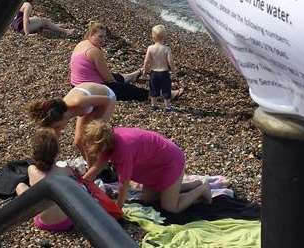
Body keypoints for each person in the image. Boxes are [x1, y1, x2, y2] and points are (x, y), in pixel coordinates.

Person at [82, 121, 211, 212]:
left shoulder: (123, 149)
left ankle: (202, 189)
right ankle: (193, 185)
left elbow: (124, 182)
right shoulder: (109, 140)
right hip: (152, 166)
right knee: (148, 201)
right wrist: (81, 183)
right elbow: (97, 166)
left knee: (171, 208)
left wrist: (118, 208)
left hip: (169, 162)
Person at [27, 82, 115, 159]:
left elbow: (107, 101)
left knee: (91, 139)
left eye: (57, 127)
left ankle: (101, 167)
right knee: (78, 142)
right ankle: (90, 167)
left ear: (62, 116)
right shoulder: (59, 113)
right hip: (89, 104)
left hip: (106, 97)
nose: (58, 129)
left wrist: (96, 122)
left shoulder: (78, 102)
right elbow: (54, 139)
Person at [69, 21, 149, 101]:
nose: (103, 40)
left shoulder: (82, 43)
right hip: (88, 90)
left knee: (115, 76)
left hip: (75, 84)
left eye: (104, 36)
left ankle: (130, 76)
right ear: (91, 35)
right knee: (131, 90)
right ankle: (155, 94)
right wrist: (119, 86)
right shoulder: (94, 51)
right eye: (100, 36)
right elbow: (109, 79)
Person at [15, 128, 75, 232]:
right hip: (66, 221)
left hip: (42, 223)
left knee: (20, 186)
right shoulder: (65, 171)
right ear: (57, 153)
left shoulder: (31, 170)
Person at [142, 24, 184, 110]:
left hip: (154, 73)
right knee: (166, 90)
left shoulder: (150, 48)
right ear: (164, 37)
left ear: (153, 37)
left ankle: (154, 105)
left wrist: (145, 70)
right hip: (164, 73)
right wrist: (174, 71)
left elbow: (146, 61)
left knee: (153, 89)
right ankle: (167, 107)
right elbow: (170, 62)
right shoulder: (166, 49)